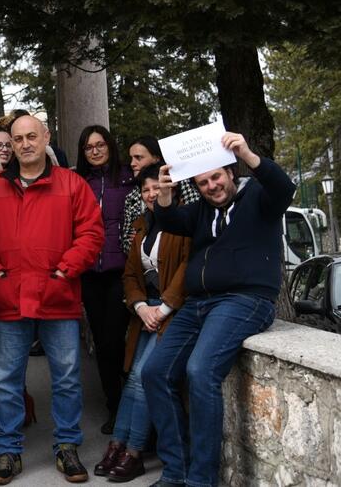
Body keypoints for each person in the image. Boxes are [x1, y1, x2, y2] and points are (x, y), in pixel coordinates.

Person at [142, 133, 293, 487]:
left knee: (200, 370)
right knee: (154, 372)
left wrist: (248, 154)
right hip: (198, 303)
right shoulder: (201, 210)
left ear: (230, 172)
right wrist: (164, 193)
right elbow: (170, 221)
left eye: (216, 177)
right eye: (203, 182)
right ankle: (176, 472)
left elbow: (284, 188)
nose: (212, 186)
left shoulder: (259, 197)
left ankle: (201, 480)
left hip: (245, 300)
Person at [0, 115, 104, 485]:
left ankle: (67, 446)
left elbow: (91, 234)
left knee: (66, 378)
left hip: (57, 298)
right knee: (7, 380)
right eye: (18, 139)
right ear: (10, 145)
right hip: (10, 298)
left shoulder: (72, 184)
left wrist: (63, 273)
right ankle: (9, 450)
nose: (26, 144)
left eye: (32, 136)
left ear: (46, 137)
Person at [93, 164, 189, 482]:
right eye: (145, 189)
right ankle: (118, 445)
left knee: (143, 377)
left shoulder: (184, 221)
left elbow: (187, 269)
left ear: (171, 188)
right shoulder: (141, 226)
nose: (150, 194)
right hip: (146, 312)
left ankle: (133, 452)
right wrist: (140, 306)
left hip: (173, 313)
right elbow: (131, 274)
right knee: (133, 376)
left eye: (156, 188)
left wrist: (163, 309)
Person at [75, 125, 134, 434]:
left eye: (100, 145)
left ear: (110, 146)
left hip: (120, 271)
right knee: (102, 342)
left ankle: (132, 405)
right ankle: (115, 406)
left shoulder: (127, 177)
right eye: (89, 147)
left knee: (116, 340)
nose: (95, 151)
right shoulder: (78, 182)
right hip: (89, 273)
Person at [120, 137, 201, 254]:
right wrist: (137, 241)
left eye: (138, 157)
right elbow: (127, 242)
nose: (132, 163)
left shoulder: (180, 182)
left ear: (156, 158)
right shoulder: (131, 197)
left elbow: (195, 222)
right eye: (131, 158)